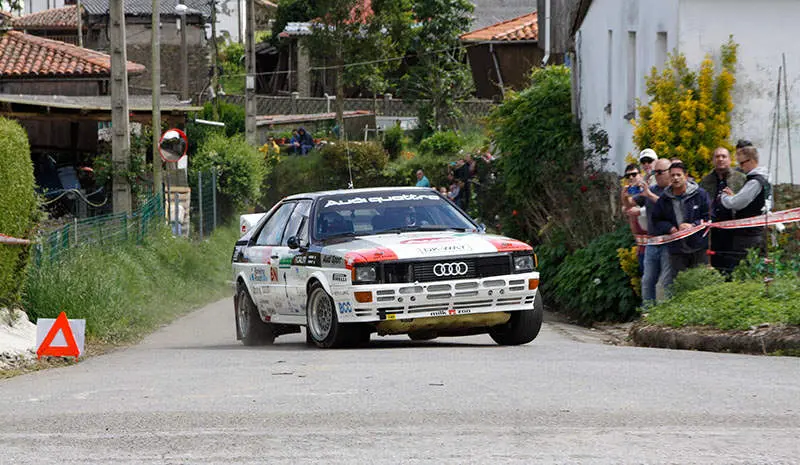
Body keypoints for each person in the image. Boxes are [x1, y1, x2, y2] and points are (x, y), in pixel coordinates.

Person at [651, 161, 711, 283]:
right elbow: (656, 220)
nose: (675, 178)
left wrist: (693, 226)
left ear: (686, 175)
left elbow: (710, 216)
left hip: (698, 248)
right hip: (677, 251)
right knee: (680, 284)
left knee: (701, 283)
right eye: (672, 175)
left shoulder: (700, 194)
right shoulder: (664, 199)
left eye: (678, 175)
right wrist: (670, 228)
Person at [627, 158, 673, 305]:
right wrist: (625, 194)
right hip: (651, 241)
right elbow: (630, 204)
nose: (657, 175)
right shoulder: (651, 189)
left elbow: (670, 207)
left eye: (660, 172)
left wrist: (649, 195)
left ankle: (665, 314)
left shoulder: (673, 191)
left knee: (666, 280)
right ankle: (647, 313)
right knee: (647, 280)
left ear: (670, 172)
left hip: (669, 242)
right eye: (655, 172)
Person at [699, 147, 746, 274]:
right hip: (714, 231)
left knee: (735, 265)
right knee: (717, 265)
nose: (720, 159)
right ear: (713, 160)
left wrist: (734, 198)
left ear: (730, 160)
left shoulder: (741, 178)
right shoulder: (705, 181)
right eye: (717, 156)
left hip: (736, 229)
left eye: (724, 156)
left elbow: (747, 202)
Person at [720, 144, 771, 257]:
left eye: (742, 163)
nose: (740, 167)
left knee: (745, 270)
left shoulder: (755, 181)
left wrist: (724, 197)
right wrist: (735, 197)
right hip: (757, 232)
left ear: (752, 160)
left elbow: (736, 204)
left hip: (747, 235)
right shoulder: (765, 178)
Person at [620, 163, 647, 273]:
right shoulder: (630, 192)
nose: (631, 178)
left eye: (634, 174)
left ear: (640, 175)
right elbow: (627, 207)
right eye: (628, 176)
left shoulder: (647, 190)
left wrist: (639, 210)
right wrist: (624, 198)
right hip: (640, 243)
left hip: (653, 240)